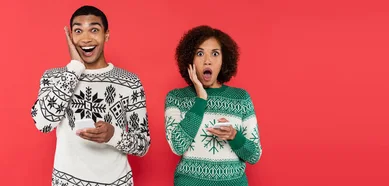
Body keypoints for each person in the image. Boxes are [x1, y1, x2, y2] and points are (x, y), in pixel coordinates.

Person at [30, 5, 151, 186]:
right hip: (66, 182)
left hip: (116, 182)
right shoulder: (54, 77)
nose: (86, 38)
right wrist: (75, 68)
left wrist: (113, 135)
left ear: (106, 35)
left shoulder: (130, 82)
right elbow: (43, 123)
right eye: (78, 31)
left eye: (94, 30)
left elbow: (143, 145)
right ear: (70, 37)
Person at [165, 25, 262, 185]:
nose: (207, 60)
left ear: (224, 60)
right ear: (190, 59)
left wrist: (234, 136)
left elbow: (254, 155)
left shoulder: (241, 99)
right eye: (200, 53)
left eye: (215, 54)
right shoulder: (176, 98)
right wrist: (201, 99)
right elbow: (177, 146)